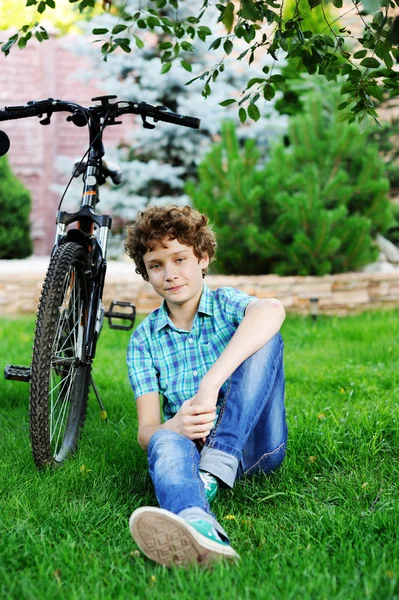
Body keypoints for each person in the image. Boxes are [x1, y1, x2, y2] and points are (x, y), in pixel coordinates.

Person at [125, 205, 287, 567]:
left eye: (180, 258)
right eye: (156, 265)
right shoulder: (143, 341)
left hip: (253, 444)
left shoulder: (226, 303)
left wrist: (211, 384)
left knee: (266, 339)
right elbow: (146, 432)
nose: (170, 274)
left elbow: (272, 309)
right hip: (190, 448)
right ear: (146, 273)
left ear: (203, 258)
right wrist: (174, 427)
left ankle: (215, 466)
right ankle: (197, 522)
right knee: (165, 440)